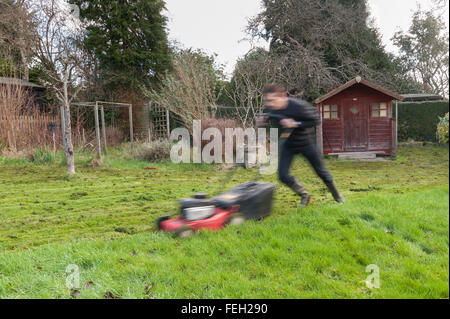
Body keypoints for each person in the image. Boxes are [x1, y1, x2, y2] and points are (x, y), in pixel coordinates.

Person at [257, 83, 345, 206]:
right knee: (283, 176)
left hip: (305, 143)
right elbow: (271, 116)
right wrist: (264, 119)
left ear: (283, 95)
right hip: (288, 144)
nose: (269, 104)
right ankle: (305, 195)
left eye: (272, 100)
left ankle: (337, 196)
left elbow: (315, 120)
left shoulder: (298, 106)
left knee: (321, 172)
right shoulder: (271, 108)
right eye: (267, 101)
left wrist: (296, 123)